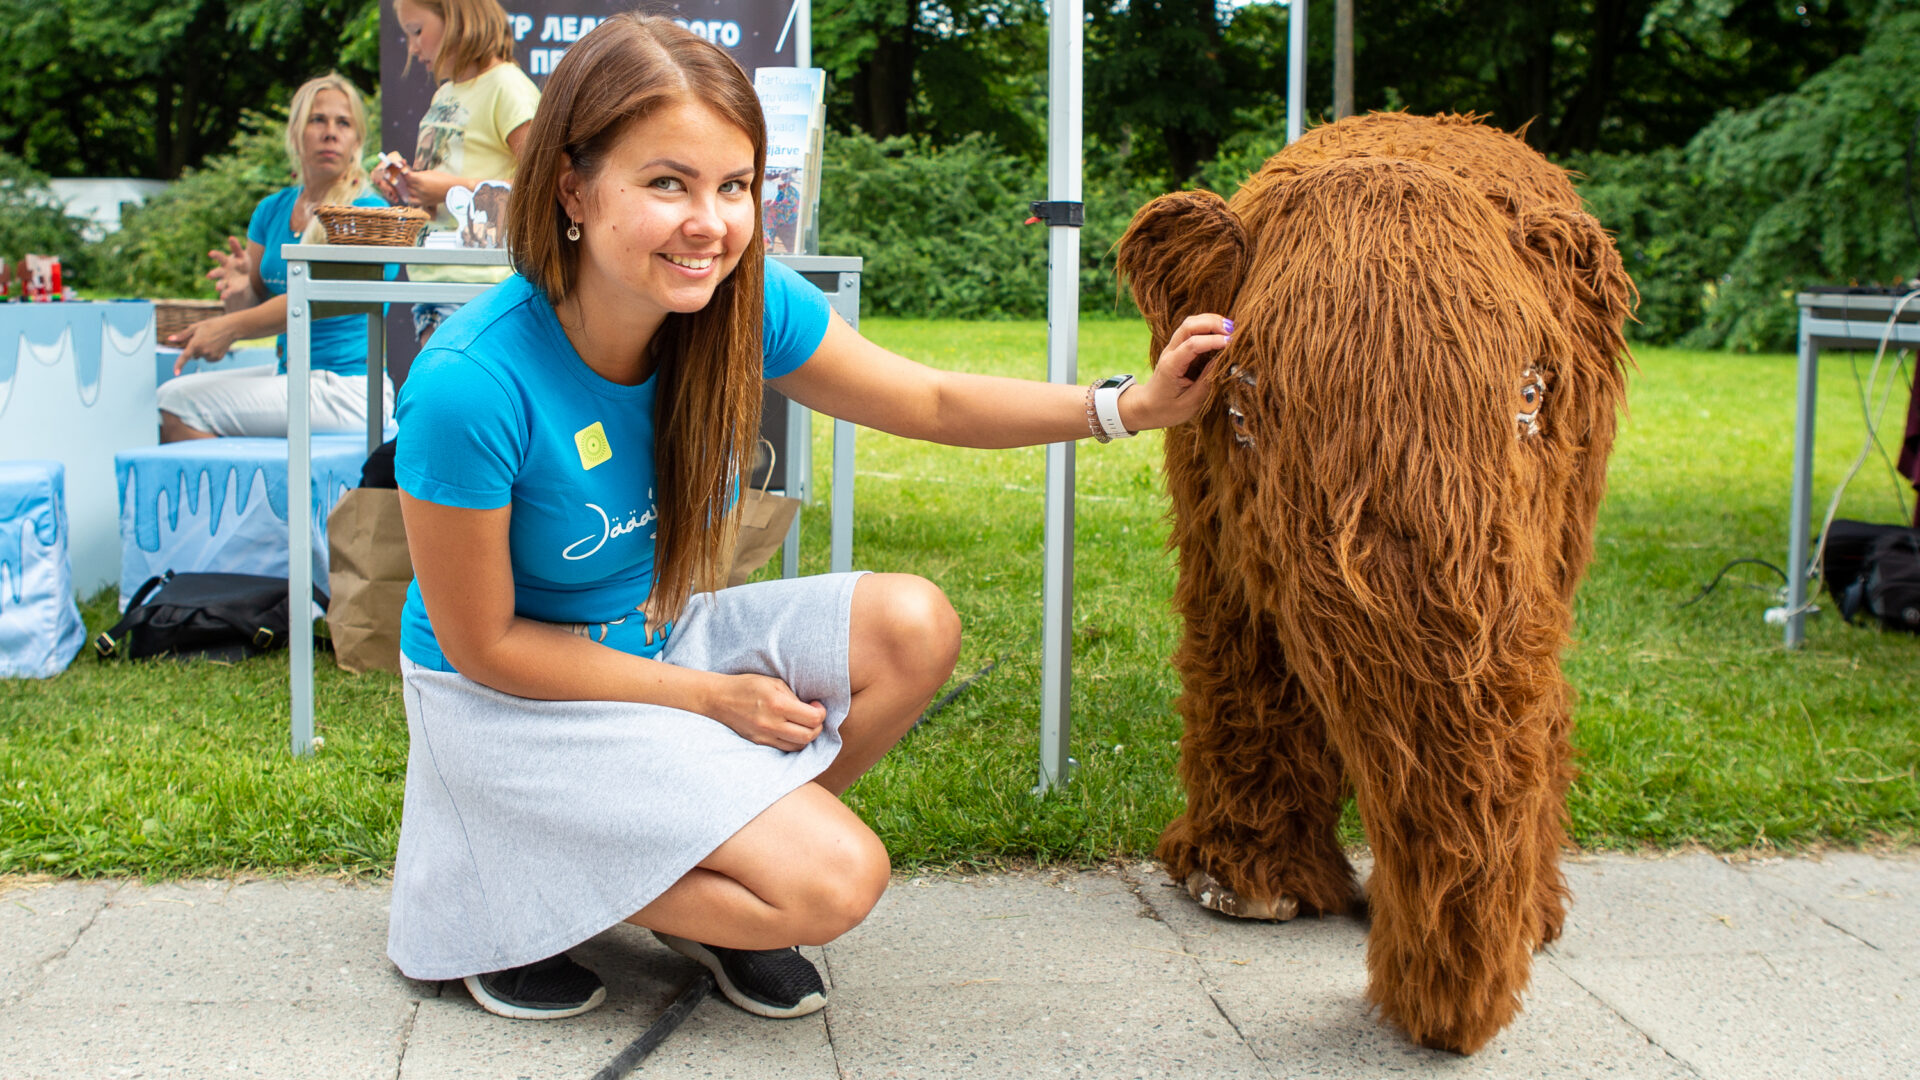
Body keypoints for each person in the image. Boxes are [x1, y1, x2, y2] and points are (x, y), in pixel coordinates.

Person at [386, 14, 1230, 1023]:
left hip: (655, 634)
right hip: (508, 703)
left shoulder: (736, 298)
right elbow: (484, 647)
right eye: (668, 183)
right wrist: (705, 700)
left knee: (912, 625)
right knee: (832, 885)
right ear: (571, 188)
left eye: (733, 186)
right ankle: (511, 874)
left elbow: (926, 400)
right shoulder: (468, 381)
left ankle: (703, 894)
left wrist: (1124, 406)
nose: (711, 222)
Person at [159, 74, 393, 442]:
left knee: (178, 402)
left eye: (343, 123)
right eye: (318, 120)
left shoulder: (368, 213)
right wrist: (237, 292)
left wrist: (229, 328)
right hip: (291, 375)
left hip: (346, 389)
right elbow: (249, 302)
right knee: (168, 395)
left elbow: (311, 298)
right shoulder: (272, 209)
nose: (330, 133)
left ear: (357, 140)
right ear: (296, 133)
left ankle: (241, 501)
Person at [377, 0, 539, 345]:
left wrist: (450, 188)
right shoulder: (445, 94)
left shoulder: (507, 86)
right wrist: (407, 186)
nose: (413, 47)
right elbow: (438, 199)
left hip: (483, 282)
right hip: (433, 276)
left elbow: (542, 182)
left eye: (417, 31)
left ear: (457, 19)